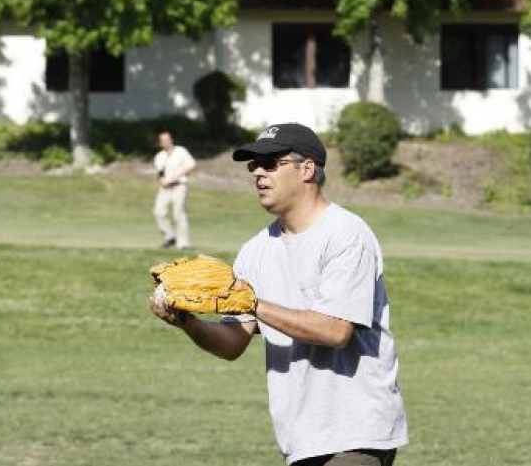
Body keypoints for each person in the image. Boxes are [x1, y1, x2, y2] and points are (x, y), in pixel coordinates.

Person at [150, 123, 408, 466]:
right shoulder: (255, 251)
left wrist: (253, 303)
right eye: (253, 165)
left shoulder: (346, 235)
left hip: (356, 433)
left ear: (307, 169)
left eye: (271, 163)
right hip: (300, 438)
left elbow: (335, 331)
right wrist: (188, 322)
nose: (258, 172)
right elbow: (233, 343)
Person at [152, 130, 196, 249]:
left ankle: (183, 243)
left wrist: (176, 176)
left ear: (171, 140)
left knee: (179, 214)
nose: (165, 142)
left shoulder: (181, 151)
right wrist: (162, 181)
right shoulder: (159, 156)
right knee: (158, 212)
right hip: (165, 188)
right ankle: (170, 237)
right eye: (162, 141)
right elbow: (160, 172)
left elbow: (191, 165)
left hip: (179, 185)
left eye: (167, 139)